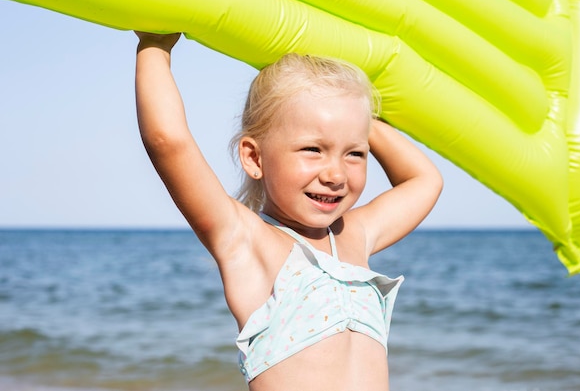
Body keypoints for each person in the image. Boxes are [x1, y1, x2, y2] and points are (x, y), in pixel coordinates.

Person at [134, 31, 443, 391]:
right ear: (254, 157)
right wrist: (155, 46)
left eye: (355, 153)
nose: (335, 175)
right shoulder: (246, 240)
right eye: (313, 149)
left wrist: (358, 118)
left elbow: (425, 181)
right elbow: (168, 142)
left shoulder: (352, 236)